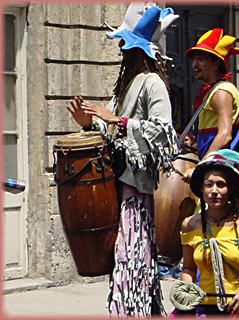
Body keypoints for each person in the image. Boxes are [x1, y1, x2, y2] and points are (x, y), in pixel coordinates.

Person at [66, 3, 180, 317]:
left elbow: (164, 133)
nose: (119, 48)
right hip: (116, 188)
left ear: (135, 48)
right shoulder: (127, 86)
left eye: (124, 43)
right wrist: (89, 122)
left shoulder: (152, 83)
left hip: (136, 194)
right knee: (125, 264)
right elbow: (110, 128)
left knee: (133, 264)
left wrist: (119, 122)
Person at [174, 149, 239, 317]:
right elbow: (189, 269)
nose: (214, 191)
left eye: (221, 184)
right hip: (203, 307)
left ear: (231, 189)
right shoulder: (190, 224)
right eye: (208, 184)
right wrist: (187, 294)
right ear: (201, 188)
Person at [182, 28, 239, 182]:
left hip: (220, 175)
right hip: (216, 170)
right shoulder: (215, 91)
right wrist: (197, 144)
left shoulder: (221, 92)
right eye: (194, 59)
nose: (195, 64)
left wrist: (201, 167)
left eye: (201, 59)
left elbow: (225, 135)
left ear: (216, 63)